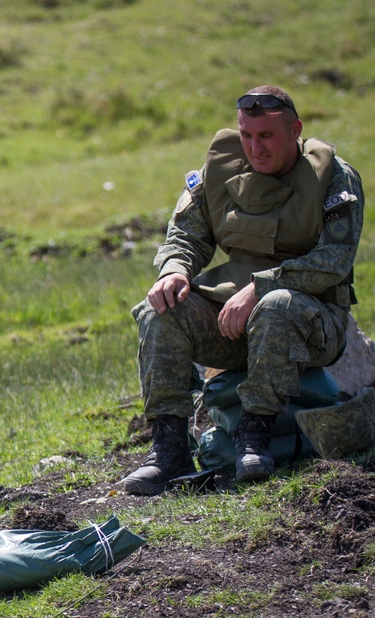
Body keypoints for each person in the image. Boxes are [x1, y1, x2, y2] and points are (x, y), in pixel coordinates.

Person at [122, 85, 364, 496]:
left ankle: (255, 438)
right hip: (234, 322)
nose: (256, 148)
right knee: (158, 310)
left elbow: (333, 262)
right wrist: (174, 271)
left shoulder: (333, 176)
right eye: (247, 135)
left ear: (295, 130)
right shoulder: (220, 169)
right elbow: (186, 235)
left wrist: (260, 287)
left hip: (315, 325)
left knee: (276, 304)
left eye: (267, 136)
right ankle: (167, 450)